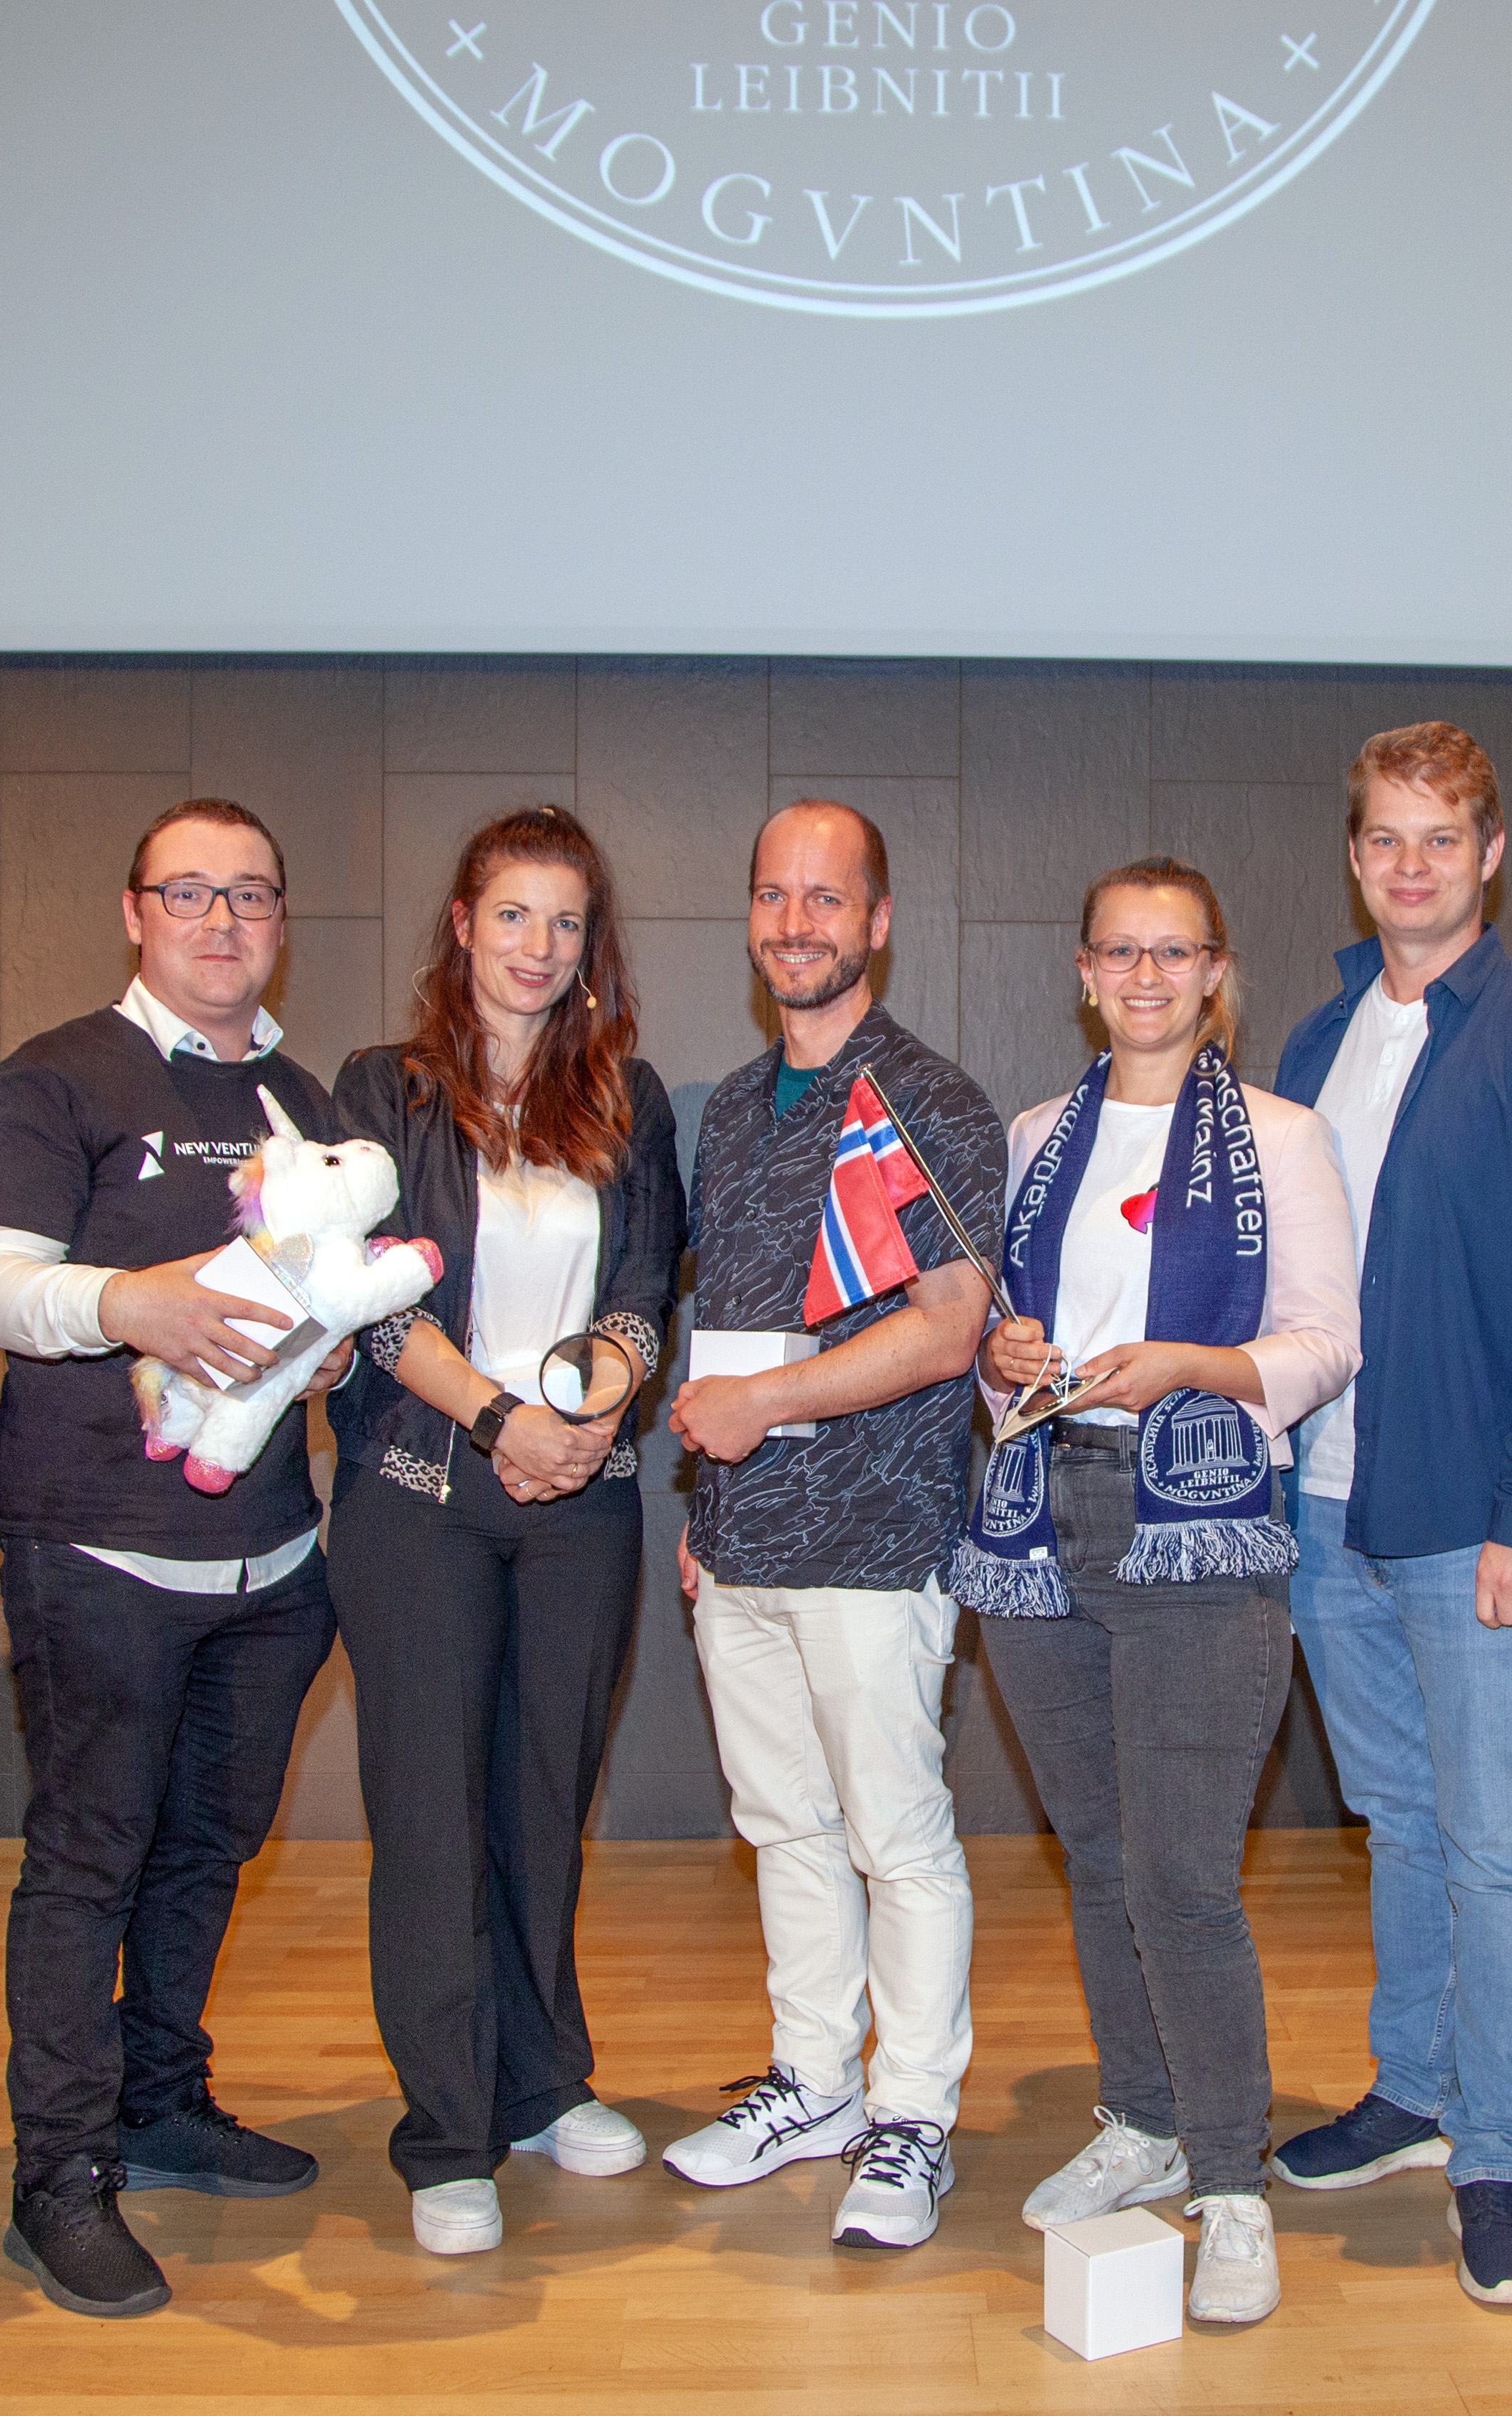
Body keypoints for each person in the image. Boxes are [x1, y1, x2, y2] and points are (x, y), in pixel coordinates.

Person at [0, 799, 360, 2318]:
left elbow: (315, 1290)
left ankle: (158, 2096)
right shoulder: (57, 1074)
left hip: (268, 1563)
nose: (221, 920)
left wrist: (315, 1357)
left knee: (207, 1847)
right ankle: (58, 2174)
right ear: (136, 911)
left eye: (251, 894)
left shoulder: (300, 1097)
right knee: (89, 1858)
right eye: (189, 892)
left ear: (279, 919)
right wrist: (138, 1303)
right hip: (100, 1551)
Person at [952, 858, 1358, 2327]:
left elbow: (1323, 1343)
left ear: (1213, 972)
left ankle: (1234, 2180)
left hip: (1198, 1520)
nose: (1142, 975)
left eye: (1170, 951)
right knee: (1104, 1855)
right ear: (1082, 969)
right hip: (1037, 1508)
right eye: (1118, 950)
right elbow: (1007, 1318)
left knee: (1187, 1876)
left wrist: (1196, 1367)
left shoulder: (1283, 1137)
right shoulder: (1032, 1137)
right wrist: (1004, 1350)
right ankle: (1143, 2117)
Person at [1263, 722, 1512, 2308]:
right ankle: (1414, 2091)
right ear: (1353, 859)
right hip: (1328, 1511)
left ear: (1491, 854)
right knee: (1402, 1827)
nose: (1410, 865)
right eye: (1384, 839)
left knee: (1500, 1849)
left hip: (1481, 1520)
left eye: (1442, 838)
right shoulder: (1308, 1043)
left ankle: (1501, 2155)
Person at [324, 807, 685, 2260]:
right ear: (462, 925)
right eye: (513, 915)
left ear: (591, 945)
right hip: (424, 1493)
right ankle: (446, 2130)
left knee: (544, 1803)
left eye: (565, 921)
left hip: (577, 1500)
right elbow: (371, 1298)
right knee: (430, 1816)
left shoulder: (631, 1094)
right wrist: (500, 1422)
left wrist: (588, 1414)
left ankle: (539, 2083)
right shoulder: (382, 1088)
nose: (538, 946)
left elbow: (646, 1284)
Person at [656, 799, 1004, 2252]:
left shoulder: (930, 1101)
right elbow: (724, 1333)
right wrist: (710, 1501)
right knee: (780, 1822)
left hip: (876, 1541)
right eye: (772, 895)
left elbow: (949, 1327)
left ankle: (914, 2111)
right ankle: (817, 2081)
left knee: (894, 1836)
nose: (796, 921)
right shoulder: (730, 1109)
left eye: (827, 898)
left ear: (876, 923)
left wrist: (765, 1408)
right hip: (742, 1541)